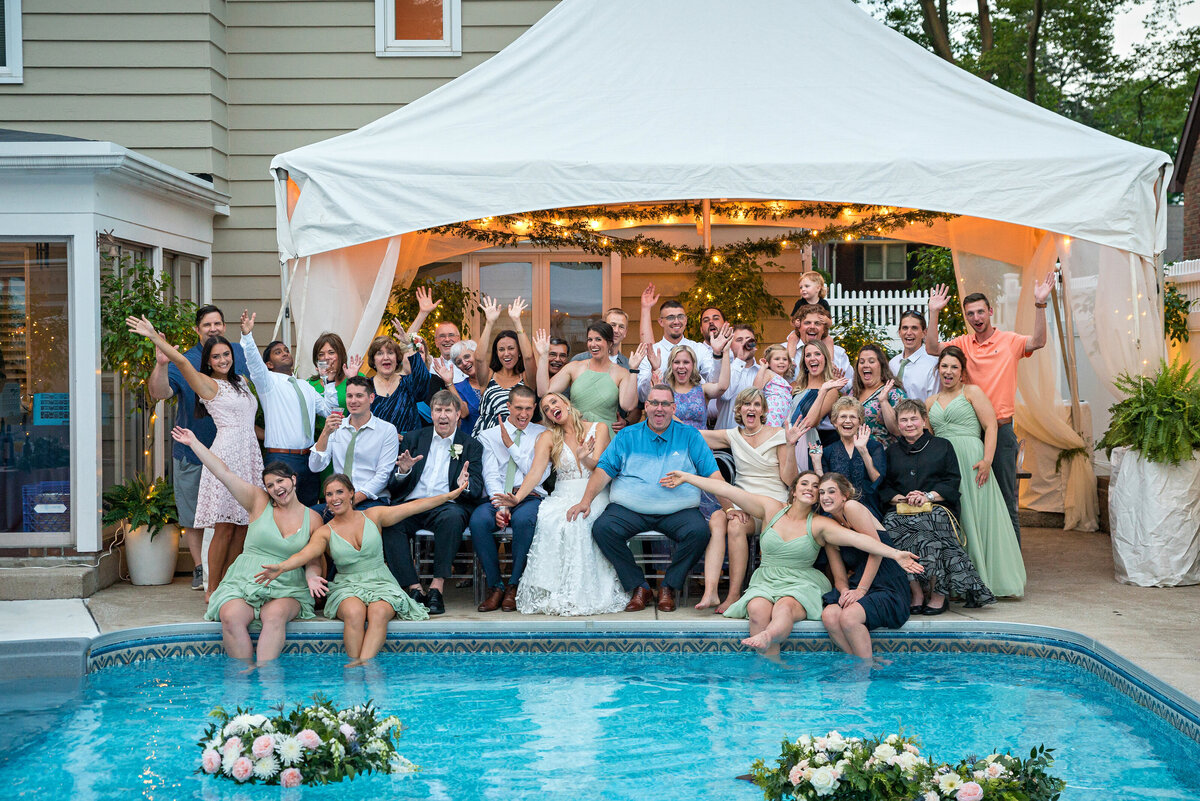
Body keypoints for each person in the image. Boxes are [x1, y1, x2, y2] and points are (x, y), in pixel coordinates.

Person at [659, 470, 922, 655]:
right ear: (793, 490)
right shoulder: (771, 509)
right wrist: (687, 478)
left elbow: (861, 541)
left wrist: (894, 553)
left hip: (800, 582)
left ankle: (768, 637)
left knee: (783, 609)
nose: (810, 489)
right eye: (805, 484)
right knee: (758, 610)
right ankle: (769, 670)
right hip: (766, 579)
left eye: (815, 487)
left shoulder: (822, 524)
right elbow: (728, 490)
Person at [257, 469, 469, 665]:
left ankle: (362, 666)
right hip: (347, 584)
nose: (334, 498)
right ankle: (353, 665)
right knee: (354, 612)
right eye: (329, 495)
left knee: (378, 613)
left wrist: (449, 496)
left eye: (339, 492)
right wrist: (282, 567)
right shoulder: (325, 532)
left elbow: (413, 506)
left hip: (381, 582)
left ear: (351, 494)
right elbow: (306, 553)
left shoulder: (374, 516)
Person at [172, 427, 324, 667]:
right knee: (230, 617)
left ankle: (266, 678)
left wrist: (313, 577)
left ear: (293, 480)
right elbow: (223, 473)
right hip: (245, 579)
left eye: (280, 481)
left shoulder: (313, 519)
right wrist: (194, 443)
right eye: (270, 485)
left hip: (287, 585)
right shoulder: (258, 502)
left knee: (274, 616)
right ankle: (244, 682)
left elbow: (313, 557)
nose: (276, 488)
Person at [131, 314, 259, 600]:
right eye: (216, 356)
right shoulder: (207, 384)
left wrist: (247, 336)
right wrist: (155, 339)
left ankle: (230, 585)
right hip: (226, 454)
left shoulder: (240, 381)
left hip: (248, 455)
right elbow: (184, 364)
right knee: (224, 527)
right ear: (208, 361)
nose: (223, 359)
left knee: (242, 528)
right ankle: (212, 589)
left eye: (226, 354)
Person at [568, 384, 722, 613]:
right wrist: (585, 501)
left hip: (678, 511)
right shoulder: (627, 436)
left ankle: (669, 587)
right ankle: (640, 587)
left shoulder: (690, 436)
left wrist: (730, 509)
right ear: (646, 406)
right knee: (603, 528)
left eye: (665, 404)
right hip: (630, 510)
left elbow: (713, 475)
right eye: (654, 403)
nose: (659, 409)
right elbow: (603, 471)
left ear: (673, 408)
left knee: (699, 532)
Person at [925, 275, 1054, 543]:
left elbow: (1039, 341)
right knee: (971, 500)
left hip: (1002, 432)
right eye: (970, 313)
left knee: (1005, 499)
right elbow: (932, 348)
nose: (976, 317)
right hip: (970, 436)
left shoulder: (1009, 340)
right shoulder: (962, 344)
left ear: (990, 312)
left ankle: (1012, 568)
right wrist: (933, 312)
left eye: (980, 311)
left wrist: (1040, 304)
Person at [505, 392, 629, 615]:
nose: (551, 407)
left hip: (594, 492)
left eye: (554, 401)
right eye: (546, 408)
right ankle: (554, 590)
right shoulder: (547, 437)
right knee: (548, 519)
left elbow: (603, 469)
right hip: (562, 494)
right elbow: (535, 473)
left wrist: (583, 458)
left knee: (577, 522)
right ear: (548, 417)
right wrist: (517, 497)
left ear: (566, 403)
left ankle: (580, 591)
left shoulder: (599, 428)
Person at [926, 347, 1026, 597]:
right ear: (938, 369)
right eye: (944, 366)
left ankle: (987, 579)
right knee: (957, 521)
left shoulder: (971, 392)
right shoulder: (930, 401)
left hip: (972, 461)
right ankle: (961, 582)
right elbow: (929, 437)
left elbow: (990, 425)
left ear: (962, 373)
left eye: (954, 367)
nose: (948, 372)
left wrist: (987, 460)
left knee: (979, 517)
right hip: (945, 465)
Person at [693, 388, 804, 613]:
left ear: (763, 410)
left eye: (756, 404)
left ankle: (771, 591)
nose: (751, 408)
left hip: (774, 505)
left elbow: (790, 480)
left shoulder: (779, 435)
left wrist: (791, 446)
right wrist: (666, 414)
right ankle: (734, 594)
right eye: (746, 404)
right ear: (739, 410)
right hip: (744, 504)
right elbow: (692, 434)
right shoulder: (733, 435)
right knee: (733, 523)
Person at [880, 399, 996, 614]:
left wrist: (927, 496)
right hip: (902, 509)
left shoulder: (942, 446)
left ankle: (938, 594)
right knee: (890, 523)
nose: (909, 424)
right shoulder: (891, 452)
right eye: (903, 420)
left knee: (929, 526)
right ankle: (915, 591)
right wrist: (902, 498)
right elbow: (885, 486)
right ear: (898, 424)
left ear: (924, 420)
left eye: (914, 418)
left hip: (938, 507)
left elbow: (952, 481)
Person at [384, 389, 486, 614]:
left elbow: (476, 489)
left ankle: (436, 588)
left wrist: (464, 484)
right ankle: (414, 587)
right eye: (438, 410)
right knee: (390, 522)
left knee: (452, 518)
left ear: (458, 414)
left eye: (448, 410)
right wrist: (403, 471)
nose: (443, 416)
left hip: (446, 505)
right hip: (413, 503)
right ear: (431, 413)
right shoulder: (413, 438)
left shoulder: (471, 445)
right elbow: (394, 485)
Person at [238, 311, 337, 506]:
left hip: (309, 459)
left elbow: (328, 410)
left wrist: (329, 381)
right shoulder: (268, 382)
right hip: (281, 458)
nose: (284, 353)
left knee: (309, 511)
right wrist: (247, 337)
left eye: (285, 350)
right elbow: (255, 364)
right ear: (269, 364)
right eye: (278, 352)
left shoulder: (306, 386)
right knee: (280, 512)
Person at [816, 473, 912, 661]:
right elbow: (840, 577)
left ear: (844, 495)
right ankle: (864, 661)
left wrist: (861, 590)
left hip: (886, 582)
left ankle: (863, 672)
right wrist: (844, 591)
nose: (825, 496)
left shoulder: (852, 507)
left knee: (849, 618)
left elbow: (875, 550)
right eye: (821, 492)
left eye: (831, 491)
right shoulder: (828, 524)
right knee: (830, 615)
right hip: (858, 583)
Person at [470, 385, 549, 611]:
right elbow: (490, 473)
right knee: (478, 521)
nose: (523, 414)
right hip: (498, 496)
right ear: (508, 407)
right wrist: (500, 505)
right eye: (518, 408)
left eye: (528, 409)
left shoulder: (542, 434)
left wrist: (511, 446)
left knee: (525, 521)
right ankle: (496, 586)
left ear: (534, 408)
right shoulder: (488, 435)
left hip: (529, 496)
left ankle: (514, 586)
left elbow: (538, 473)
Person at [307, 376, 399, 512]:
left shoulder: (387, 430)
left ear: (371, 398)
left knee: (353, 524)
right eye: (349, 396)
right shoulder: (336, 427)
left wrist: (352, 500)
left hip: (371, 500)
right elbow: (315, 466)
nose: (353, 401)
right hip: (338, 500)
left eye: (359, 396)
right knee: (309, 517)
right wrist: (325, 432)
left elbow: (383, 476)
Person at [535, 324, 637, 432]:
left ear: (610, 343)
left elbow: (628, 406)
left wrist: (634, 370)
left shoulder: (621, 373)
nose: (593, 344)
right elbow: (543, 391)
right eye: (590, 339)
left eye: (598, 339)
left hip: (607, 437)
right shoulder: (575, 367)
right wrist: (543, 355)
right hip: (577, 434)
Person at [636, 284, 716, 399]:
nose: (676, 321)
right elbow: (643, 395)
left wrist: (720, 354)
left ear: (686, 320)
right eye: (670, 317)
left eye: (680, 317)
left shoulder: (699, 349)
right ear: (661, 322)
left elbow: (713, 381)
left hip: (693, 414)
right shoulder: (651, 353)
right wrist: (654, 370)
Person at [814, 397, 887, 519]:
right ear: (835, 422)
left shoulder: (874, 447)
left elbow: (877, 480)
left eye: (852, 417)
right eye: (843, 417)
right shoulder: (827, 451)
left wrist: (863, 451)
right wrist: (816, 462)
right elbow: (823, 488)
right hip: (836, 512)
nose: (848, 421)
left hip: (867, 510)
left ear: (860, 421)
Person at [473, 297, 536, 436]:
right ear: (496, 353)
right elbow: (478, 358)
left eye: (511, 348)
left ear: (519, 351)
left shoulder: (526, 379)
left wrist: (517, 321)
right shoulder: (489, 377)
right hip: (485, 438)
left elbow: (529, 357)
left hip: (516, 439)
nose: (506, 353)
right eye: (501, 349)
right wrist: (489, 323)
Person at [364, 332, 429, 437]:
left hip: (408, 449)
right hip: (376, 450)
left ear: (397, 358)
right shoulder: (365, 387)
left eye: (390, 353)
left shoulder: (408, 382)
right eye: (380, 353)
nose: (386, 357)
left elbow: (422, 382)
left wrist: (410, 346)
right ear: (373, 360)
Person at [788, 340, 847, 454]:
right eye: (808, 355)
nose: (812, 358)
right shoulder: (795, 386)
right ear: (804, 361)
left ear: (825, 359)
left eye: (817, 354)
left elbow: (810, 423)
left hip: (808, 444)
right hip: (786, 440)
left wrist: (823, 390)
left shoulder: (831, 391)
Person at [785, 304, 853, 387]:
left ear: (824, 329)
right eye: (807, 323)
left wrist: (839, 384)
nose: (812, 326)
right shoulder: (783, 351)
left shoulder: (839, 354)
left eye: (817, 323)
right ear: (799, 326)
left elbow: (852, 386)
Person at [853, 344, 906, 445]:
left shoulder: (894, 393)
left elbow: (898, 430)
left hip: (883, 455)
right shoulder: (852, 393)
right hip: (854, 454)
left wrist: (883, 401)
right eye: (862, 362)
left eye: (871, 361)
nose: (866, 365)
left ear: (881, 366)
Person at [712, 324, 760, 430]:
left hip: (753, 440)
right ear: (730, 346)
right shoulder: (724, 369)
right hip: (725, 441)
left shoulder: (763, 372)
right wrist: (740, 360)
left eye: (749, 339)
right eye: (739, 340)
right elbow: (725, 394)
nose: (745, 343)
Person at [888, 310, 939, 403]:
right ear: (899, 332)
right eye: (905, 328)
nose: (909, 332)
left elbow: (934, 404)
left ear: (924, 333)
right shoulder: (892, 364)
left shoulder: (932, 365)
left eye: (914, 328)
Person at [752, 344, 794, 427]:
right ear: (769, 363)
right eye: (777, 359)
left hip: (782, 417)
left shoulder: (785, 380)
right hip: (771, 414)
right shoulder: (769, 373)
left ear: (789, 363)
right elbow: (756, 388)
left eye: (784, 359)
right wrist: (763, 368)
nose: (781, 361)